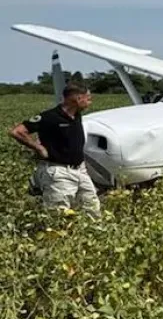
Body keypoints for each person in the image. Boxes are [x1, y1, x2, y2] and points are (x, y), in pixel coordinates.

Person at [8, 82, 101, 217]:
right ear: (77, 99)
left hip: (80, 170)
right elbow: (17, 131)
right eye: (88, 98)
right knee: (58, 215)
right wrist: (38, 147)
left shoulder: (77, 115)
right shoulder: (49, 117)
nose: (90, 102)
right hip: (59, 171)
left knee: (92, 209)